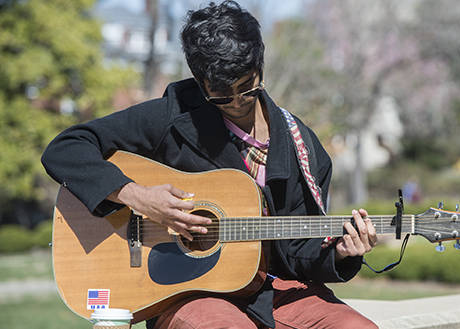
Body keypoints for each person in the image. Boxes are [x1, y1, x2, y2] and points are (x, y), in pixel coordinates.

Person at [41, 1, 378, 328]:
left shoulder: (303, 146)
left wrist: (341, 254)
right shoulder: (174, 115)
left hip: (270, 290)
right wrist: (136, 196)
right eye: (220, 95)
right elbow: (65, 148)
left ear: (260, 66)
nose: (236, 103)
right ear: (200, 82)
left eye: (247, 87)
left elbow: (298, 253)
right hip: (186, 295)